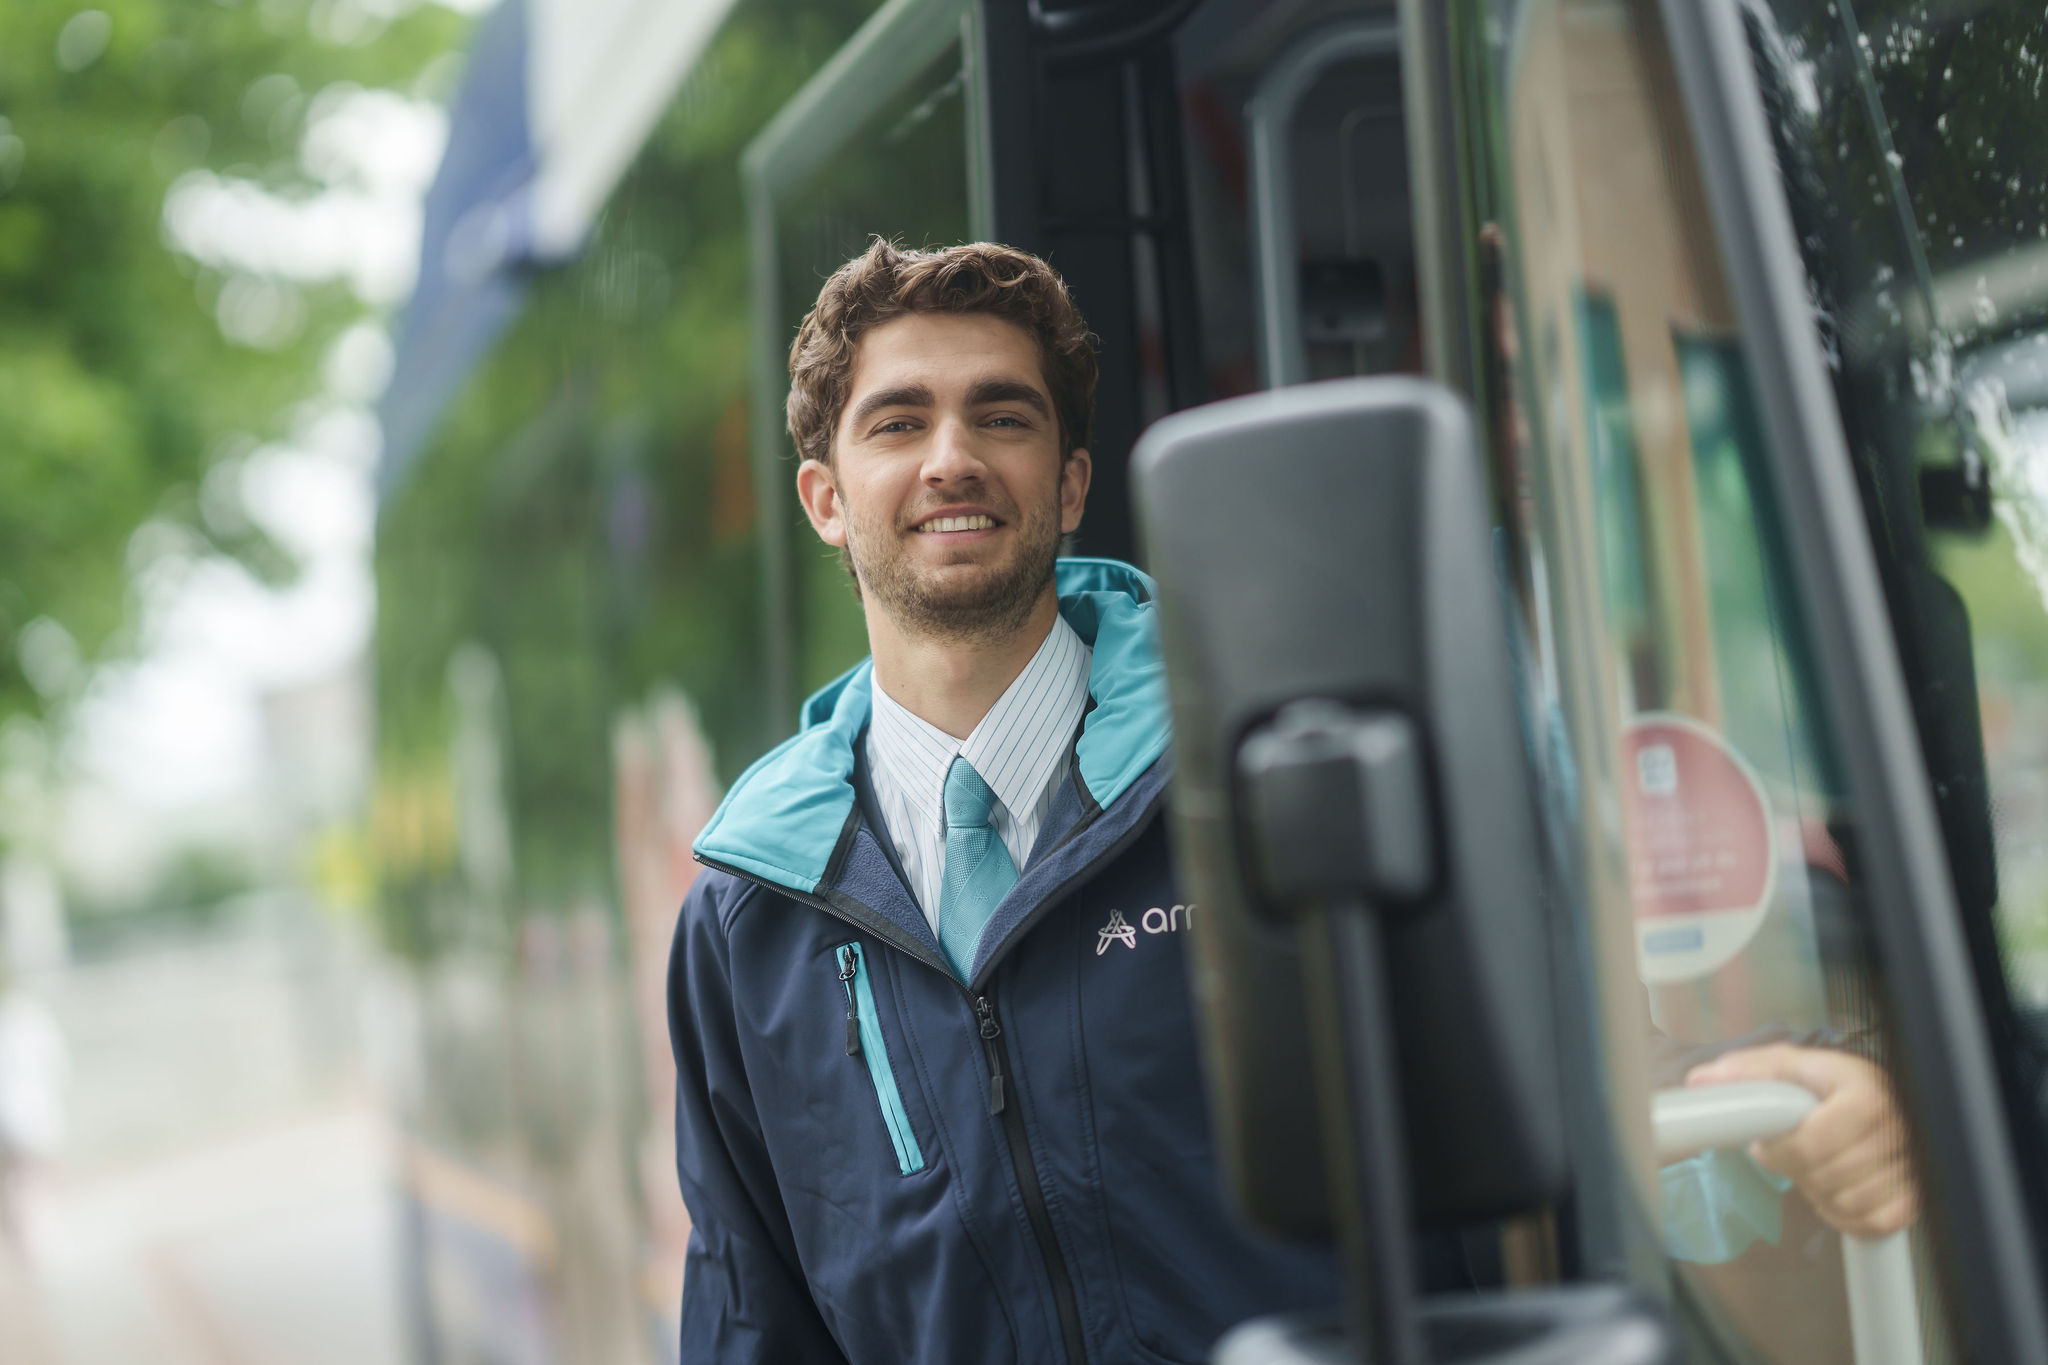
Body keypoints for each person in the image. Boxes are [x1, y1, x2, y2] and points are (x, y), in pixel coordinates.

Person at [666, 240, 1348, 1365]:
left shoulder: (1257, 781)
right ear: (826, 501)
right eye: (897, 423)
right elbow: (753, 1325)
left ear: (1070, 483)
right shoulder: (745, 929)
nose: (952, 460)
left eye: (1002, 417)